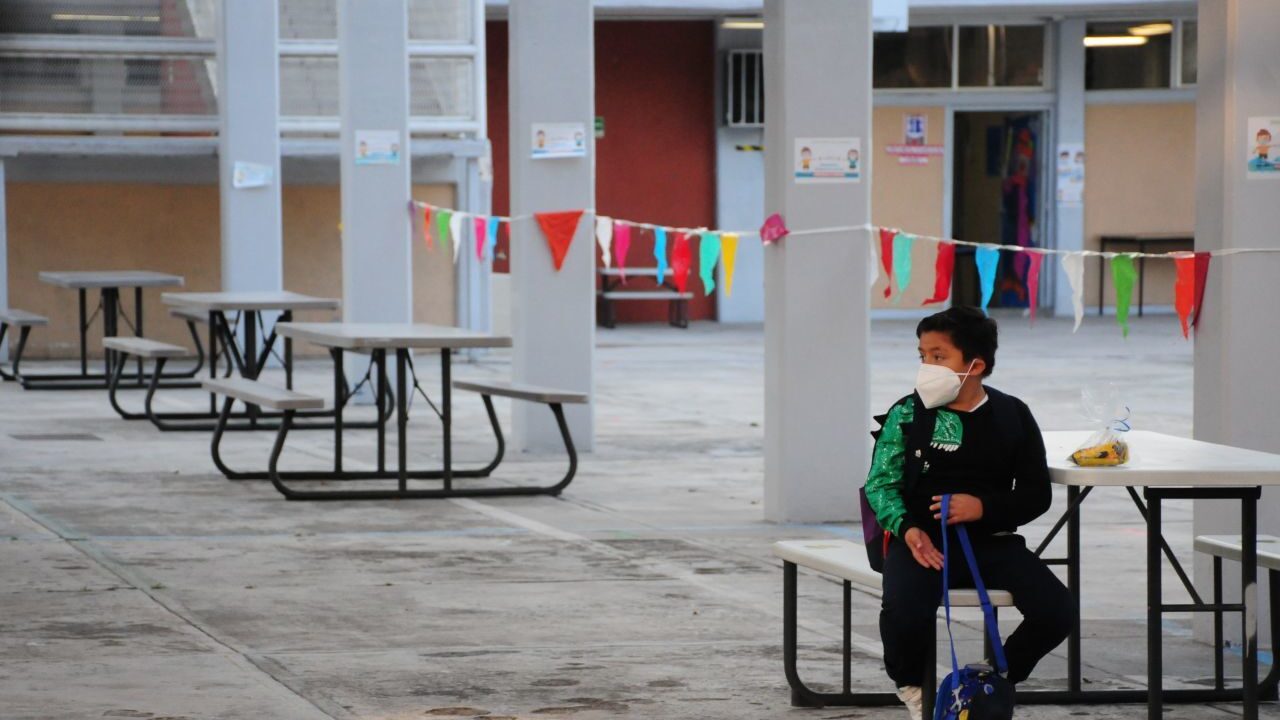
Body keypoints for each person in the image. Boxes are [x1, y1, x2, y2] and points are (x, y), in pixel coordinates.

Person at [864, 306, 1073, 720]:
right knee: (904, 613)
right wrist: (906, 529)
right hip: (922, 543)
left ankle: (993, 677)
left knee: (1057, 611)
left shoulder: (1013, 415)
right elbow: (879, 484)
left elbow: (1035, 495)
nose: (927, 366)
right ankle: (911, 686)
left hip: (993, 544)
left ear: (975, 365)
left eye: (939, 357)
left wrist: (984, 507)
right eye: (922, 355)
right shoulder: (907, 413)